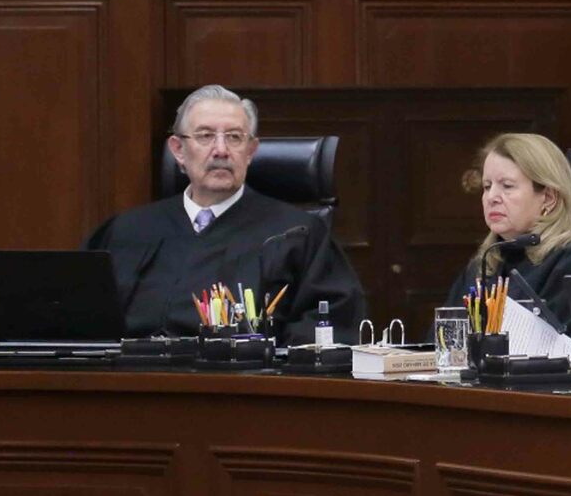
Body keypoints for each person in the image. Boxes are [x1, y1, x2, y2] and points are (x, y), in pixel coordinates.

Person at [85, 84, 366, 345]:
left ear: (250, 151)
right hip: (131, 379)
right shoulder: (125, 231)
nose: (221, 150)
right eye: (205, 136)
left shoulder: (298, 235)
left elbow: (327, 328)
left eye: (234, 137)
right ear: (178, 150)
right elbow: (83, 324)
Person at [443, 132, 571, 336]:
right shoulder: (486, 261)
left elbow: (558, 345)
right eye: (487, 186)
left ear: (548, 198)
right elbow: (443, 338)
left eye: (507, 186)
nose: (491, 197)